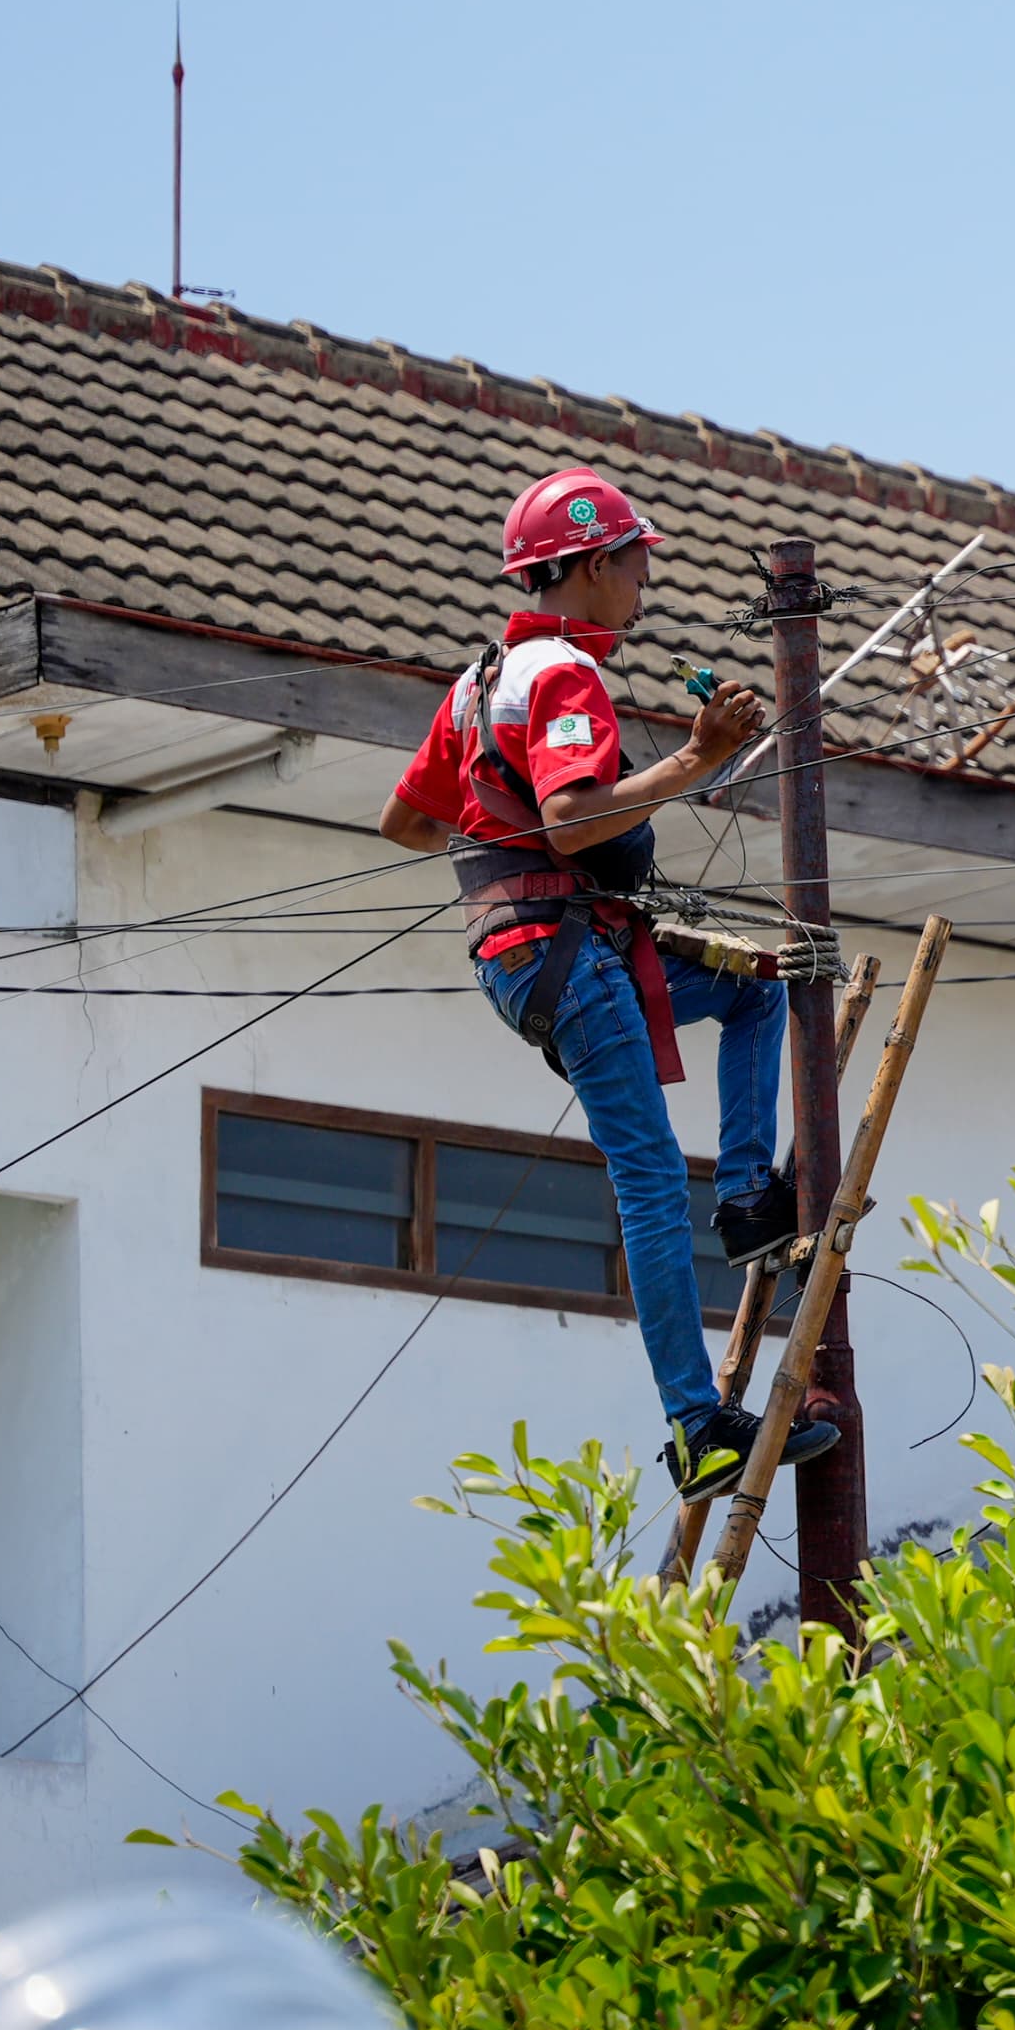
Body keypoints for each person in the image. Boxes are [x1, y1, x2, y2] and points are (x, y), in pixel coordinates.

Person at [374, 467, 842, 1504]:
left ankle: (746, 1200)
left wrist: (488, 813)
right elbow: (575, 820)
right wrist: (696, 758)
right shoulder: (560, 680)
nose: (643, 582)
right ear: (588, 565)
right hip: (568, 953)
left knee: (753, 993)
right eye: (634, 561)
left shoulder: (478, 683)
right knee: (640, 1173)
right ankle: (695, 1424)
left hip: (532, 953)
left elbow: (406, 824)